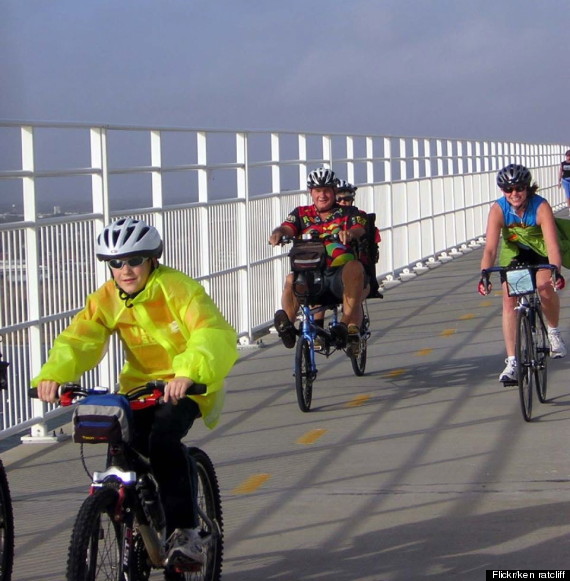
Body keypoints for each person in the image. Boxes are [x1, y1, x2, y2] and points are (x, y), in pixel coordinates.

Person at [31, 217, 238, 571]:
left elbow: (211, 332)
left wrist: (187, 373)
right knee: (124, 440)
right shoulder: (107, 298)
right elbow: (81, 338)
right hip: (139, 388)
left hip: (186, 384)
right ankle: (146, 503)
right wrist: (54, 375)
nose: (125, 270)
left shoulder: (177, 288)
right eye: (116, 263)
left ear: (152, 260)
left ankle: (185, 531)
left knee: (161, 442)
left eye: (134, 260)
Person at [478, 163, 566, 382]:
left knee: (544, 288)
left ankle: (554, 333)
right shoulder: (498, 209)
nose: (514, 194)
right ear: (502, 191)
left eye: (519, 188)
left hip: (541, 252)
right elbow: (490, 248)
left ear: (527, 188)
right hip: (515, 254)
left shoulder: (540, 206)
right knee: (509, 301)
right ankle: (512, 362)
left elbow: (553, 244)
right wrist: (484, 273)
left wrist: (556, 270)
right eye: (508, 190)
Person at [268, 168, 368, 350]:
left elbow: (359, 227)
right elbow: (288, 227)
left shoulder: (349, 212)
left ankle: (343, 327)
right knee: (291, 278)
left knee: (354, 266)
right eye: (317, 190)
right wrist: (279, 233)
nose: (322, 195)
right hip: (312, 276)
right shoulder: (301, 213)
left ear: (334, 192)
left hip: (338, 276)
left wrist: (350, 233)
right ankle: (288, 328)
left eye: (327, 190)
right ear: (311, 193)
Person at [336, 179, 382, 299]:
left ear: (352, 199)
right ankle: (317, 319)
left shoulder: (358, 215)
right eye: (338, 198)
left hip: (352, 258)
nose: (342, 202)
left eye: (347, 198)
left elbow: (359, 228)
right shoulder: (327, 216)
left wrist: (350, 233)